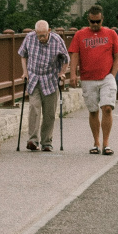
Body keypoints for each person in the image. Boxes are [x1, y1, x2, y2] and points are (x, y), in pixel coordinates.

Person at [69, 5, 118, 156]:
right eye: (92, 22)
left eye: (98, 21)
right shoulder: (80, 35)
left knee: (107, 108)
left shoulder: (111, 34)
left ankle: (106, 143)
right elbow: (74, 55)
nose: (95, 25)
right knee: (93, 111)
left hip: (107, 77)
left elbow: (117, 56)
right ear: (88, 20)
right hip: (88, 78)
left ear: (102, 19)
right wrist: (73, 74)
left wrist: (112, 74)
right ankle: (96, 142)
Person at [17, 20, 71, 151]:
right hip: (34, 78)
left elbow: (66, 59)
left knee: (49, 112)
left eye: (44, 35)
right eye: (39, 35)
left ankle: (46, 142)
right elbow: (23, 55)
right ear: (35, 32)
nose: (41, 38)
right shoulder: (29, 38)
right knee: (34, 108)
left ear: (49, 31)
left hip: (50, 79)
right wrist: (25, 72)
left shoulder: (57, 40)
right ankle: (33, 140)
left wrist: (62, 73)